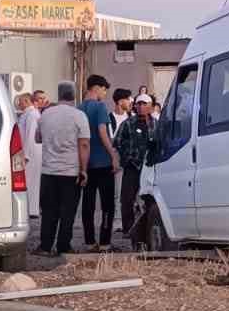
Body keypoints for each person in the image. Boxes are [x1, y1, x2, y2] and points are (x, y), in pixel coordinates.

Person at [35, 81, 89, 257]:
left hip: (49, 171)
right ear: (73, 95)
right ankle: (63, 246)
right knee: (68, 211)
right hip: (70, 172)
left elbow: (38, 138)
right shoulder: (79, 116)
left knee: (49, 211)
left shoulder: (45, 114)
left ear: (58, 95)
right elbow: (84, 144)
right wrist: (84, 170)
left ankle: (45, 246)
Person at [79, 72, 119, 252]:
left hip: (85, 164)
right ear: (97, 88)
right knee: (107, 205)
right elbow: (103, 132)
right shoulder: (100, 107)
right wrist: (113, 154)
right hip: (103, 162)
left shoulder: (78, 108)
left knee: (87, 204)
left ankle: (89, 241)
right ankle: (104, 242)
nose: (105, 94)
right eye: (104, 90)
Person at [117, 90, 158, 237]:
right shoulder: (127, 124)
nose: (141, 106)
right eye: (138, 104)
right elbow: (117, 142)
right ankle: (128, 229)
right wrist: (126, 157)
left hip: (150, 167)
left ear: (151, 106)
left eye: (144, 104)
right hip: (132, 167)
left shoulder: (157, 124)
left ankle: (146, 230)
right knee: (127, 199)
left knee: (149, 199)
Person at [16, 93, 42, 221]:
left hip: (30, 153)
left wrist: (26, 154)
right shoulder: (27, 114)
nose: (18, 104)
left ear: (26, 101)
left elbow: (30, 135)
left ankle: (32, 209)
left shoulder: (32, 114)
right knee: (28, 181)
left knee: (31, 181)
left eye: (20, 101)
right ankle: (29, 208)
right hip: (28, 151)